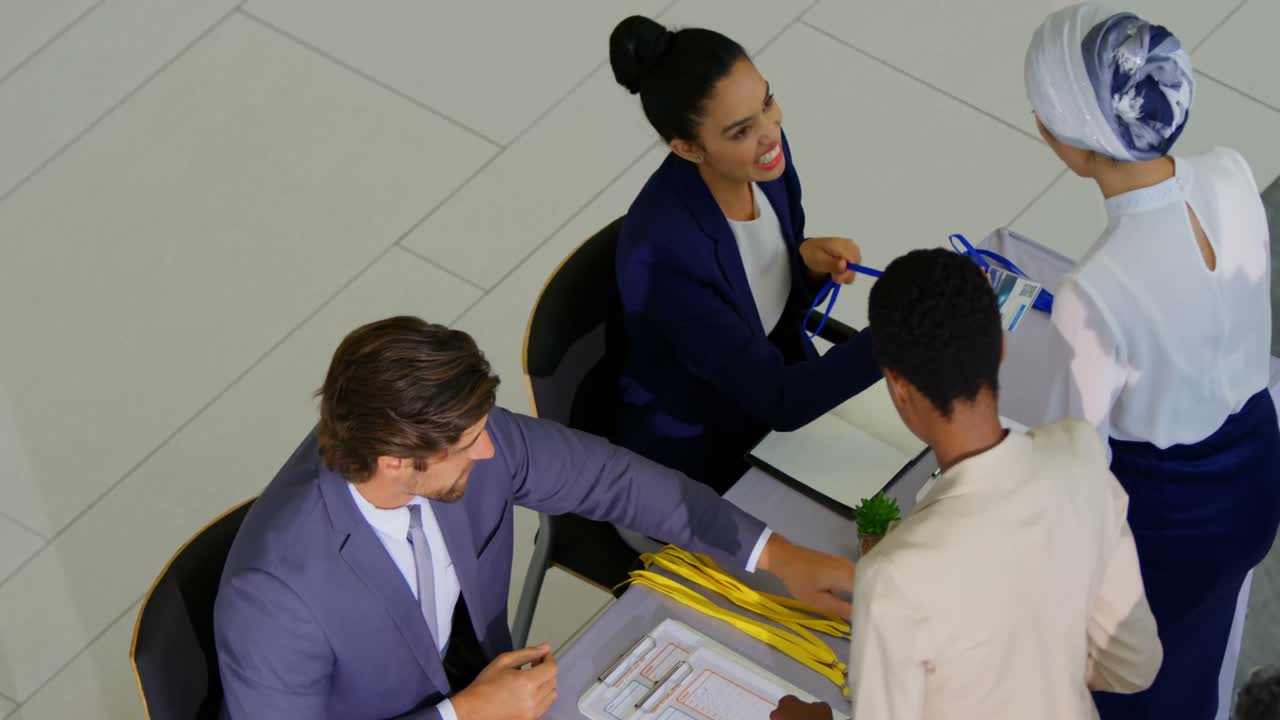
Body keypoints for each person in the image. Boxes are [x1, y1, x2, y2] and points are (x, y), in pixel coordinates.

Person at [213, 316, 854, 720]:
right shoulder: (271, 598)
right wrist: (463, 716)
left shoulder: (454, 434)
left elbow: (616, 480)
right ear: (395, 461)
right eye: (469, 444)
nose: (490, 451)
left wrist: (776, 555)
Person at [770, 249, 1161, 720]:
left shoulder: (894, 576)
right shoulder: (1079, 456)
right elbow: (1133, 666)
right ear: (1001, 347)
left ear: (897, 387)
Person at [1025, 5, 1280, 718]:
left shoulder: (1095, 289)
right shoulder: (1230, 170)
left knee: (1135, 684)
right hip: (1255, 468)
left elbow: (1075, 470)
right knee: (1203, 643)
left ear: (1064, 142)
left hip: (1171, 521)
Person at [607, 16, 882, 493]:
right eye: (741, 131)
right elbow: (781, 402)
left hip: (778, 389)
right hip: (708, 452)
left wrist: (803, 266)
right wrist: (904, 333)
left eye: (767, 102)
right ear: (688, 148)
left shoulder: (764, 162)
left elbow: (757, 301)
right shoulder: (662, 258)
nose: (771, 132)